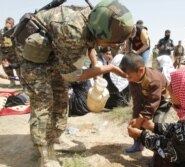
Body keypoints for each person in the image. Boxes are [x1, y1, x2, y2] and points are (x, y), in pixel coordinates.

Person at [15, 1, 134, 166]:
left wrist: (95, 65)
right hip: (33, 57)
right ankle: (45, 152)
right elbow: (72, 75)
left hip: (54, 52)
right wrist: (108, 69)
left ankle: (56, 138)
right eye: (110, 43)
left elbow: (90, 44)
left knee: (61, 95)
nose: (112, 46)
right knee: (45, 101)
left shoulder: (94, 19)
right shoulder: (73, 29)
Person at [119, 54, 172, 166]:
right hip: (148, 98)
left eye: (129, 76)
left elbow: (153, 102)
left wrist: (142, 118)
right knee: (137, 119)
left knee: (157, 125)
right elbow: (137, 101)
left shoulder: (154, 80)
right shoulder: (133, 78)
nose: (128, 79)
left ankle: (158, 156)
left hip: (162, 101)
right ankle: (138, 144)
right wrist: (137, 119)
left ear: (141, 70)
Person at [0, 17, 19, 87]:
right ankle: (12, 81)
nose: (8, 24)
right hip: (4, 52)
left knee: (17, 67)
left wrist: (10, 31)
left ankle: (23, 82)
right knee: (7, 68)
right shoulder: (1, 31)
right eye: (7, 23)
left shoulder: (16, 30)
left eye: (10, 23)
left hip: (13, 52)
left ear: (12, 24)